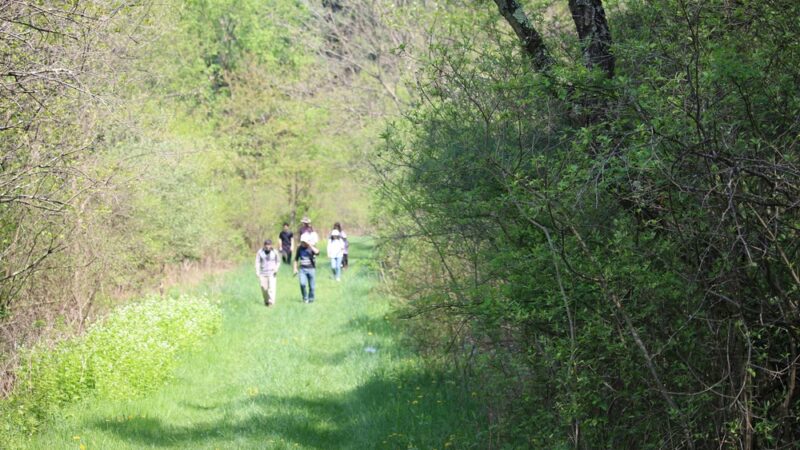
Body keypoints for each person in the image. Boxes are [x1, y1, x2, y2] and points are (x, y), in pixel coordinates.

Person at [293, 233, 320, 303]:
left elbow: (317, 252)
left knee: (312, 287)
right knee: (302, 284)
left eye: (304, 242)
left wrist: (310, 246)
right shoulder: (299, 248)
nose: (302, 243)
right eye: (302, 242)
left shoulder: (311, 248)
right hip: (302, 269)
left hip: (311, 269)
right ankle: (305, 298)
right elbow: (296, 259)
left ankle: (311, 299)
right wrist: (295, 268)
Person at [255, 239, 279, 307]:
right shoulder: (260, 252)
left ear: (271, 245)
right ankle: (266, 301)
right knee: (264, 288)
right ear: (264, 245)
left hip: (272, 273)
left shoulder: (275, 252)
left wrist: (276, 269)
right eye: (266, 245)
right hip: (263, 273)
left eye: (269, 245)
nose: (267, 246)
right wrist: (257, 271)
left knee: (271, 288)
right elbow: (257, 262)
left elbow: (278, 261)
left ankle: (271, 302)